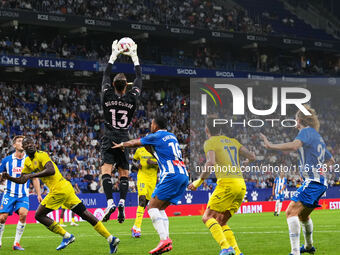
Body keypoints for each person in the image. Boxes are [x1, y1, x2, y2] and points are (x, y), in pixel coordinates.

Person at [1, 137, 120, 253]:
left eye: (32, 143)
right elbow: (22, 179)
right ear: (24, 147)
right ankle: (111, 238)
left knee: (39, 215)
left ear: (35, 144)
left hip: (59, 189)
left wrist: (32, 176)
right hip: (65, 189)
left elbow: (51, 170)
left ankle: (66, 235)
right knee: (85, 214)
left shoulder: (41, 155)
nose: (30, 145)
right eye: (27, 144)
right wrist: (9, 177)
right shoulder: (27, 162)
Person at [260, 105, 335, 255]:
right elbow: (331, 160)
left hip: (313, 182)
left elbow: (294, 146)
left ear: (299, 120)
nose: (295, 121)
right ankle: (308, 247)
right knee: (303, 215)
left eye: (295, 118)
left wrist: (270, 145)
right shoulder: (317, 136)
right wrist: (322, 169)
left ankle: (295, 252)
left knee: (290, 212)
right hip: (320, 182)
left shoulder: (305, 132)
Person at [112, 116, 189, 254]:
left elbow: (135, 142)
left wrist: (122, 144)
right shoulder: (172, 136)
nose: (150, 125)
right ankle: (166, 241)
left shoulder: (156, 135)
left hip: (170, 175)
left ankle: (163, 239)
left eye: (152, 123)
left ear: (155, 126)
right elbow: (155, 152)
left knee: (152, 207)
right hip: (183, 174)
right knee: (161, 208)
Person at [188, 117, 256, 255]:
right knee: (221, 221)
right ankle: (237, 252)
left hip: (227, 184)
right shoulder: (233, 142)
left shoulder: (210, 142)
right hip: (241, 185)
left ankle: (225, 248)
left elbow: (211, 163)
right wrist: (246, 162)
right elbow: (253, 156)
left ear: (207, 129)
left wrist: (198, 182)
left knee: (207, 217)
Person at [100, 39, 142, 223]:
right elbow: (140, 78)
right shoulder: (132, 98)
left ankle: (110, 202)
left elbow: (105, 75)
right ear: (127, 86)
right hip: (124, 137)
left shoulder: (107, 94)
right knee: (124, 174)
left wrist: (114, 55)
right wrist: (134, 57)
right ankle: (123, 202)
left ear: (113, 85)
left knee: (106, 171)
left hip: (109, 137)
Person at [0, 135, 40, 250]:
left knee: (23, 213)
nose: (21, 143)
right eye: (19, 141)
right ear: (14, 145)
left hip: (23, 195)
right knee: (2, 218)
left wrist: (38, 194)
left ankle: (16, 243)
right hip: (9, 193)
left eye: (23, 141)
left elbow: (35, 178)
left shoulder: (29, 160)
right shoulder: (7, 160)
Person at [131, 146, 158, 238]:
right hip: (142, 177)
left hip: (152, 180)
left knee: (146, 203)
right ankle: (137, 228)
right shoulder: (139, 150)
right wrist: (136, 165)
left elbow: (164, 164)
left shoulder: (157, 150)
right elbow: (133, 161)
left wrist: (153, 163)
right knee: (142, 200)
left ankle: (135, 225)